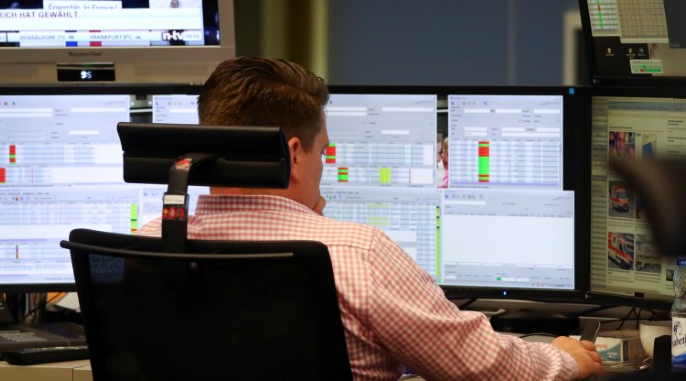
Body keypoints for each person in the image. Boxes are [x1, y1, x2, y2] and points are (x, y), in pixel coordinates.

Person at [137, 56, 605, 381]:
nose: (323, 166)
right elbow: (481, 367)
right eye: (323, 152)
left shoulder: (144, 246)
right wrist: (561, 359)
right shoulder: (356, 254)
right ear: (295, 155)